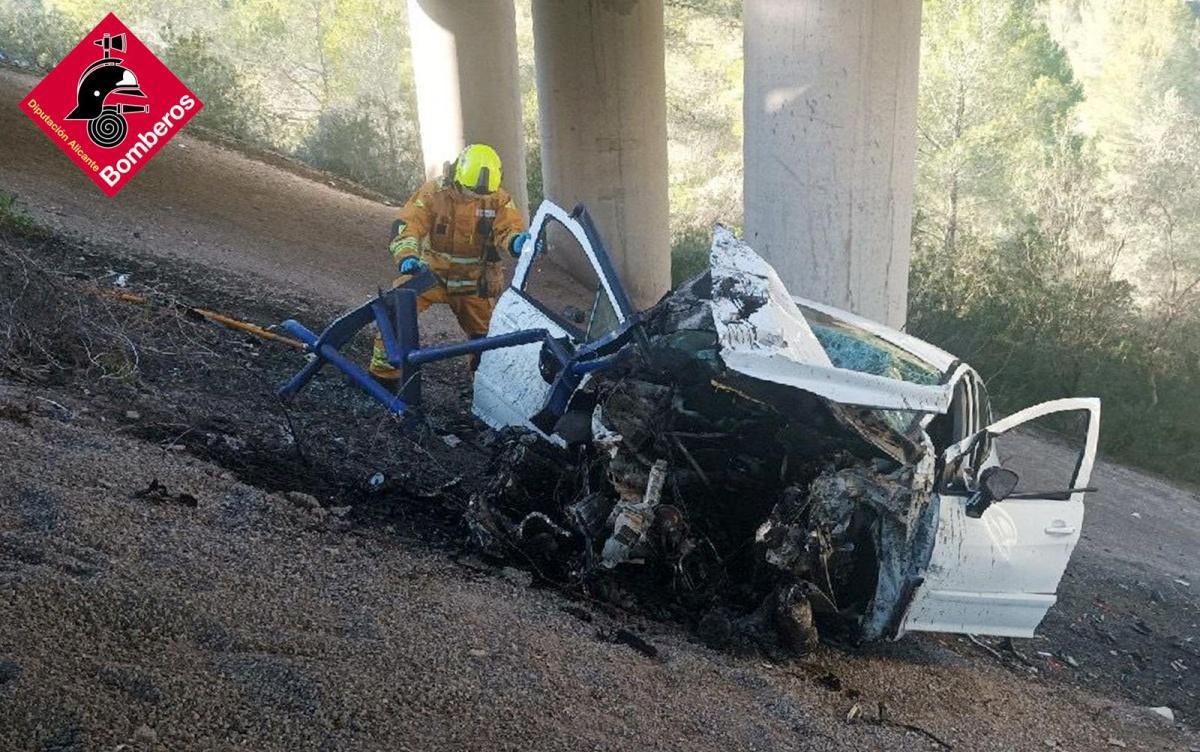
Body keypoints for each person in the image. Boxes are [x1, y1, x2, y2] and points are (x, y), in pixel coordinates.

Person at [370, 143, 530, 388]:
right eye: (469, 191)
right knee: (396, 310)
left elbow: (508, 229)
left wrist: (517, 242)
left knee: (487, 341)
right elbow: (407, 225)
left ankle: (484, 388)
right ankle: (384, 380)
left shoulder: (498, 199)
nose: (474, 198)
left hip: (475, 283)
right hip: (431, 275)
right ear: (457, 175)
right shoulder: (433, 194)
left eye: (480, 195)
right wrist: (407, 257)